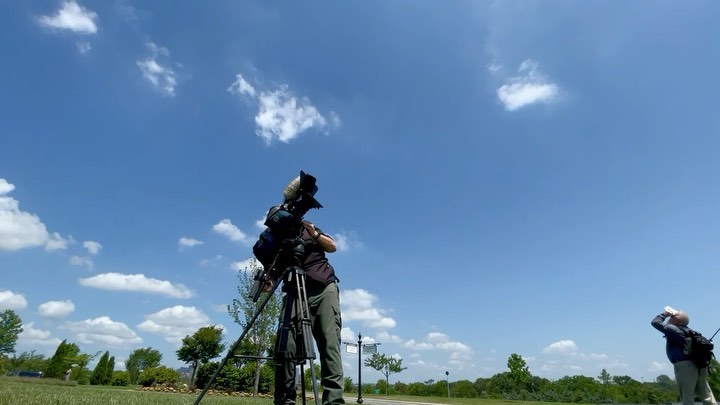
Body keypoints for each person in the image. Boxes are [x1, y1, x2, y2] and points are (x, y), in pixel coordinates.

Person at [266, 175, 345, 405]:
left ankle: (334, 401)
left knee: (330, 345)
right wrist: (269, 279)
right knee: (286, 345)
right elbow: (272, 270)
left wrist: (315, 232)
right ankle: (285, 399)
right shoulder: (279, 239)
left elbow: (333, 246)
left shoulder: (309, 228)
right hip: (294, 293)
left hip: (323, 288)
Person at [651, 307, 717, 405]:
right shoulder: (693, 332)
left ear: (676, 320)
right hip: (700, 366)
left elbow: (655, 322)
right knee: (707, 397)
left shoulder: (674, 329)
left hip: (685, 367)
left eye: (672, 316)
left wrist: (664, 314)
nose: (670, 318)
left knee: (687, 397)